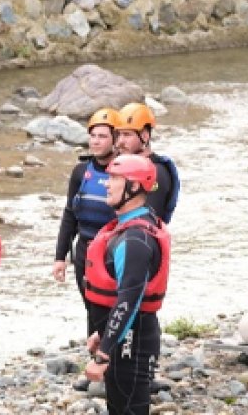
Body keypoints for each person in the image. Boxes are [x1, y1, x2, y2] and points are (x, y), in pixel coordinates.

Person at [82, 154, 171, 415]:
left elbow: (128, 301)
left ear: (133, 186)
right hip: (126, 339)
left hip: (133, 342)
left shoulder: (135, 240)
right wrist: (104, 334)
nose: (106, 184)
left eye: (114, 178)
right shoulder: (128, 228)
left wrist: (104, 353)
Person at [53, 108, 119, 389]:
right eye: (93, 136)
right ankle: (97, 365)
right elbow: (70, 214)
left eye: (102, 136)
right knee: (92, 307)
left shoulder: (124, 171)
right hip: (84, 251)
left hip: (113, 252)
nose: (96, 141)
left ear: (115, 139)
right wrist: (60, 256)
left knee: (115, 308)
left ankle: (117, 364)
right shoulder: (81, 172)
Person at [113, 102, 180, 224]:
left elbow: (149, 221)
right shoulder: (129, 168)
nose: (120, 142)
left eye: (127, 134)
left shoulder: (157, 172)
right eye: (119, 134)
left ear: (144, 136)